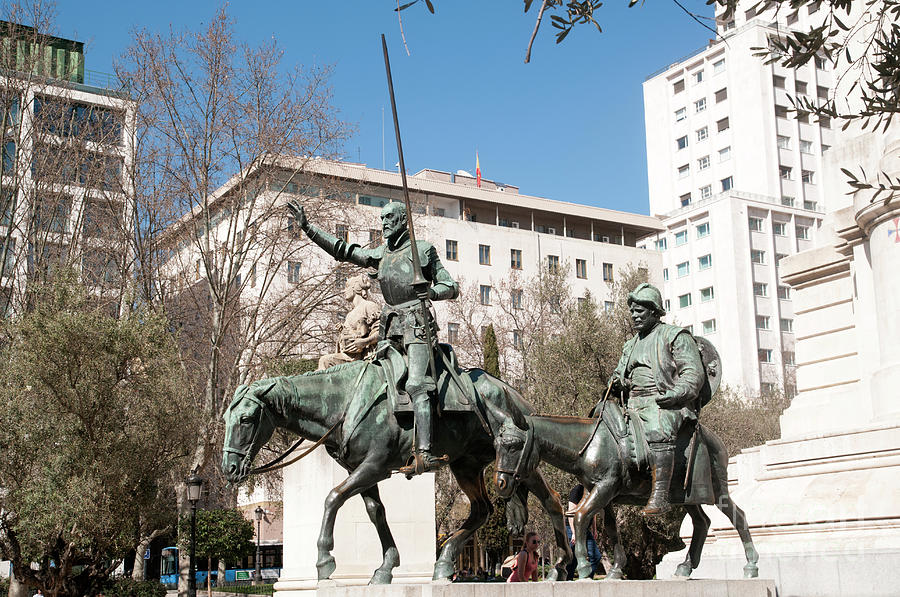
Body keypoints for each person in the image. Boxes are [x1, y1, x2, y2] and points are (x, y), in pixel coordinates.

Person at [288, 200, 459, 475]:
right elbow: (344, 250)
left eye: (390, 217)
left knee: (417, 384)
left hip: (417, 326)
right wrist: (308, 228)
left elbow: (450, 285)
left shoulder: (422, 250)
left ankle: (424, 453)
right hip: (389, 327)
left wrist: (432, 292)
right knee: (370, 381)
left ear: (404, 220)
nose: (385, 222)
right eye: (382, 218)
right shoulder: (382, 254)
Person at [608, 282, 705, 515]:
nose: (634, 316)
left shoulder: (675, 336)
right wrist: (617, 383)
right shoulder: (630, 345)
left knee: (658, 429)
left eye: (639, 311)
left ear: (653, 311)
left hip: (664, 403)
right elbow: (618, 373)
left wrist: (674, 395)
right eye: (632, 311)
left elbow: (693, 373)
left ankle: (660, 495)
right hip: (632, 404)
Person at [317, 273, 380, 370]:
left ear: (355, 288)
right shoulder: (350, 314)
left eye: (347, 287)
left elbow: (380, 332)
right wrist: (343, 332)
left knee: (325, 361)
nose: (344, 290)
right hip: (349, 355)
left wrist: (364, 342)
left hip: (362, 357)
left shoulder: (369, 306)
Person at [564, 484, 604, 579]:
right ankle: (567, 582)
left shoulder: (593, 490)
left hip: (585, 529)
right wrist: (574, 533)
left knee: (596, 556)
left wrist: (594, 529)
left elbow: (593, 512)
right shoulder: (577, 490)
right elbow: (571, 513)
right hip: (572, 528)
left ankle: (586, 579)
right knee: (572, 558)